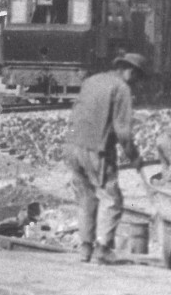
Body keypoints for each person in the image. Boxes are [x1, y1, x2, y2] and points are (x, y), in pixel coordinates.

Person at [63, 51, 151, 264]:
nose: (137, 84)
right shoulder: (121, 88)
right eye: (137, 78)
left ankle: (85, 249)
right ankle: (102, 248)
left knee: (85, 198)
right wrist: (135, 158)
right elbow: (123, 133)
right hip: (96, 150)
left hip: (72, 146)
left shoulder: (92, 80)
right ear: (130, 71)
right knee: (112, 199)